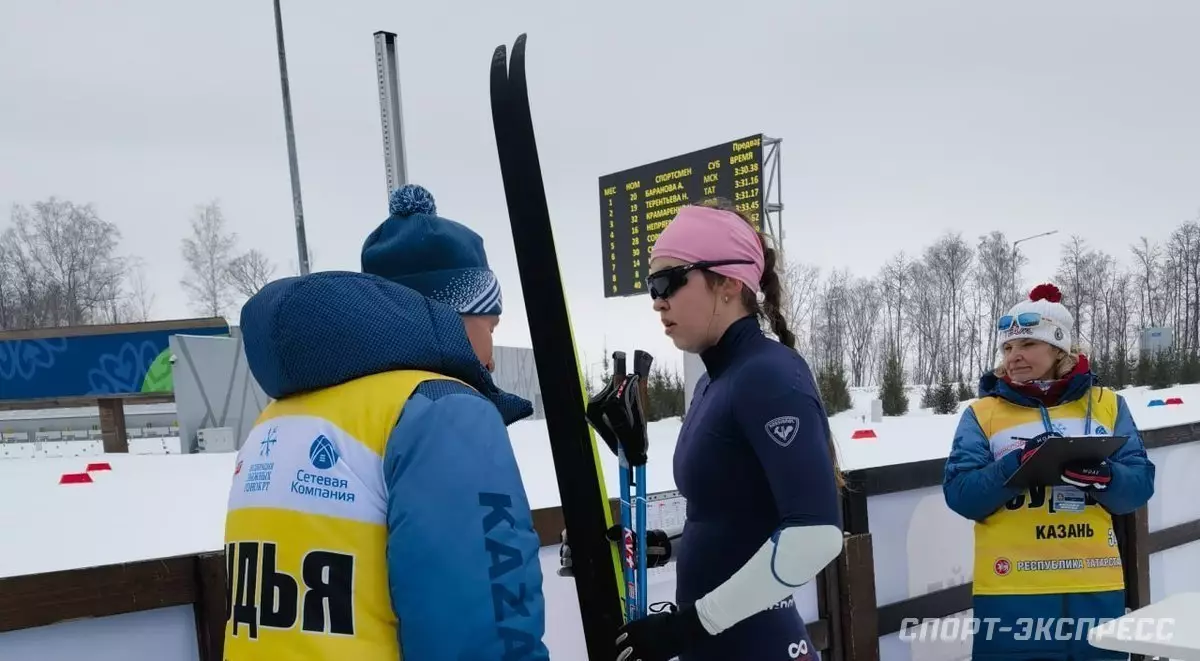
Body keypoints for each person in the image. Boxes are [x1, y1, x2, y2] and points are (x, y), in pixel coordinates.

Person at [222, 184, 549, 660]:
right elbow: (478, 631)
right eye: (490, 328)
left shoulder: (276, 421)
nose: (491, 358)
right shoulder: (442, 410)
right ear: (451, 316)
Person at [606, 199, 845, 661]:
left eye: (668, 281)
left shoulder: (768, 376)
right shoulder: (714, 384)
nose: (657, 300)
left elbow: (815, 536)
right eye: (651, 286)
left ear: (729, 282)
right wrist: (670, 547)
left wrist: (689, 626)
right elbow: (730, 518)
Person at [943, 283, 1156, 661]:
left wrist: (1105, 477)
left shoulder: (1108, 405)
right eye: (1007, 348)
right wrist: (1016, 465)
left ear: (1058, 349)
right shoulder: (982, 413)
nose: (1014, 356)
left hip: (1095, 588)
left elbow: (1139, 487)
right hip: (1011, 593)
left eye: (1027, 344)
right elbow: (962, 494)